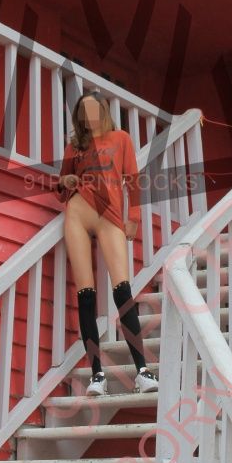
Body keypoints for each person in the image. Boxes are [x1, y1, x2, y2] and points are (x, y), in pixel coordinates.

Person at [56, 90, 159, 396]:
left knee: (122, 291)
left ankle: (142, 371)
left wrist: (134, 218)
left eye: (94, 109)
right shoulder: (74, 146)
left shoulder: (121, 139)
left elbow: (133, 181)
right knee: (85, 294)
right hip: (77, 215)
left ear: (103, 111)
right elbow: (61, 187)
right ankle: (97, 375)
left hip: (110, 217)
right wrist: (67, 182)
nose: (89, 116)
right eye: (83, 111)